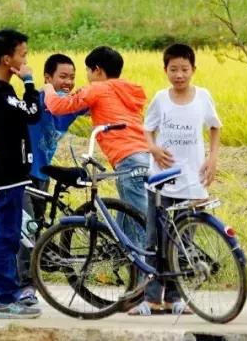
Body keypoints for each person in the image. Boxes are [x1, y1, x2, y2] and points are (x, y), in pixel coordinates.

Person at [130, 43, 221, 316]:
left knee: (182, 242)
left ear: (193, 69)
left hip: (192, 181)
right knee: (154, 241)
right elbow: (147, 130)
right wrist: (154, 149)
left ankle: (174, 297)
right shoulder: (161, 99)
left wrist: (213, 158)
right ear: (165, 70)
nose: (179, 75)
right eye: (173, 69)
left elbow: (215, 127)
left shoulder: (203, 97)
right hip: (161, 180)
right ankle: (150, 298)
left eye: (184, 69)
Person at [43, 46, 148, 243]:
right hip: (146, 156)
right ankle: (126, 257)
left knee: (139, 226)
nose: (87, 76)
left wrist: (48, 87)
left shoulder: (97, 89)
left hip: (127, 159)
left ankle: (145, 264)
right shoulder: (126, 90)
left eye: (88, 71)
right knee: (127, 219)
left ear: (97, 70)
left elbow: (57, 107)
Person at [0, 29, 43, 319]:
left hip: (3, 174)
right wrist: (29, 81)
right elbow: (33, 112)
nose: (26, 61)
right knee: (7, 237)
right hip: (8, 174)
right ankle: (4, 298)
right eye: (22, 55)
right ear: (7, 59)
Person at [15, 53, 87, 306]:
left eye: (72, 77)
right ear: (48, 78)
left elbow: (96, 101)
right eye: (62, 76)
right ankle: (27, 286)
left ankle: (28, 277)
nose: (68, 82)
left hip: (43, 175)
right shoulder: (39, 99)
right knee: (27, 231)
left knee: (35, 228)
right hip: (22, 173)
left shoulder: (69, 105)